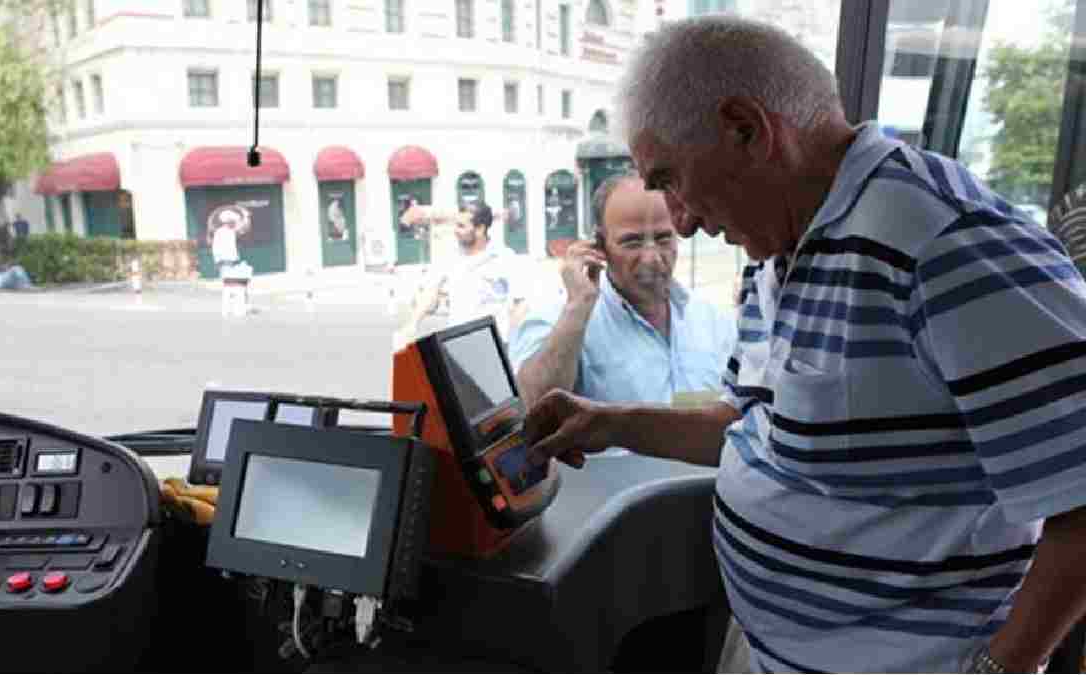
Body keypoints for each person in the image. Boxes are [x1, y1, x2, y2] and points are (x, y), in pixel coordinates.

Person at [523, 16, 1086, 674]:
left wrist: (999, 669)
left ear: (748, 130)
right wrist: (609, 422)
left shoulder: (944, 240)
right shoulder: (780, 252)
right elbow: (757, 423)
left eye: (671, 179)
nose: (683, 220)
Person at [509, 170, 736, 409]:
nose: (652, 258)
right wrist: (578, 307)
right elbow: (536, 405)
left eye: (663, 239)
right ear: (599, 246)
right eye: (632, 242)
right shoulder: (558, 321)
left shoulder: (714, 321)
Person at [401, 201, 531, 342]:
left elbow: (521, 302)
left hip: (494, 344)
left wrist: (512, 336)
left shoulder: (504, 257)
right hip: (457, 342)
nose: (455, 230)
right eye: (455, 224)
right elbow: (430, 291)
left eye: (461, 226)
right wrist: (412, 323)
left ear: (480, 229)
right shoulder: (449, 255)